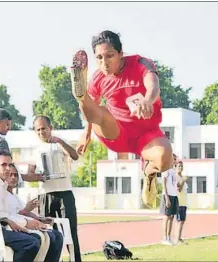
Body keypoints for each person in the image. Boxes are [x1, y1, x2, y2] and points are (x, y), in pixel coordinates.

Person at [69, 30, 173, 206]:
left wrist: (148, 101)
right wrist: (85, 134)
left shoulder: (141, 63)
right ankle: (80, 93)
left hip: (147, 135)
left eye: (109, 56)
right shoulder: (99, 78)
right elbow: (91, 112)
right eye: (99, 58)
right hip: (116, 131)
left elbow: (153, 85)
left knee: (164, 160)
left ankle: (148, 173)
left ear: (120, 53)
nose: (104, 63)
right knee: (95, 110)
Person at [28, 115, 81, 262]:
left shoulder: (60, 143)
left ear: (50, 128)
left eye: (43, 129)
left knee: (70, 230)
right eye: (37, 130)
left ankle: (75, 259)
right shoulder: (35, 150)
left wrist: (61, 142)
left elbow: (75, 156)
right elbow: (30, 173)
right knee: (48, 230)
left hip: (64, 192)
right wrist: (36, 176)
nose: (41, 132)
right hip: (45, 194)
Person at [0, 152, 41, 262]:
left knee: (39, 238)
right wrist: (22, 222)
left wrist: (8, 220)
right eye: (4, 165)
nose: (8, 169)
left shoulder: (0, 185)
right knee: (31, 242)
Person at [6, 164, 63, 262]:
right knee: (48, 237)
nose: (13, 178)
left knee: (58, 236)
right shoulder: (2, 194)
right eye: (10, 175)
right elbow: (18, 214)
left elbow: (24, 212)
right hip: (15, 227)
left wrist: (40, 218)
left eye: (15, 175)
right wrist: (27, 210)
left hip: (25, 224)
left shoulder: (14, 196)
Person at [0, 108, 44, 183]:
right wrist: (32, 177)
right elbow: (7, 169)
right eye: (7, 124)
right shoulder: (0, 141)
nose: (9, 128)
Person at [160, 154, 178, 245]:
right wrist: (167, 198)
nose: (175, 161)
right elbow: (163, 183)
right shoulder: (166, 169)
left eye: (175, 159)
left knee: (172, 217)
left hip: (174, 195)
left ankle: (169, 237)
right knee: (166, 217)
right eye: (174, 159)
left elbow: (174, 184)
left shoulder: (174, 171)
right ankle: (164, 238)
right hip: (168, 195)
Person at [175, 160, 188, 244]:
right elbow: (179, 189)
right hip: (179, 202)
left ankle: (179, 238)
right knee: (179, 221)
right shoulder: (176, 177)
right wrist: (183, 180)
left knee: (182, 220)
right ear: (176, 167)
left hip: (184, 202)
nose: (180, 167)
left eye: (181, 166)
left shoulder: (182, 177)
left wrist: (184, 179)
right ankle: (177, 239)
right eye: (179, 166)